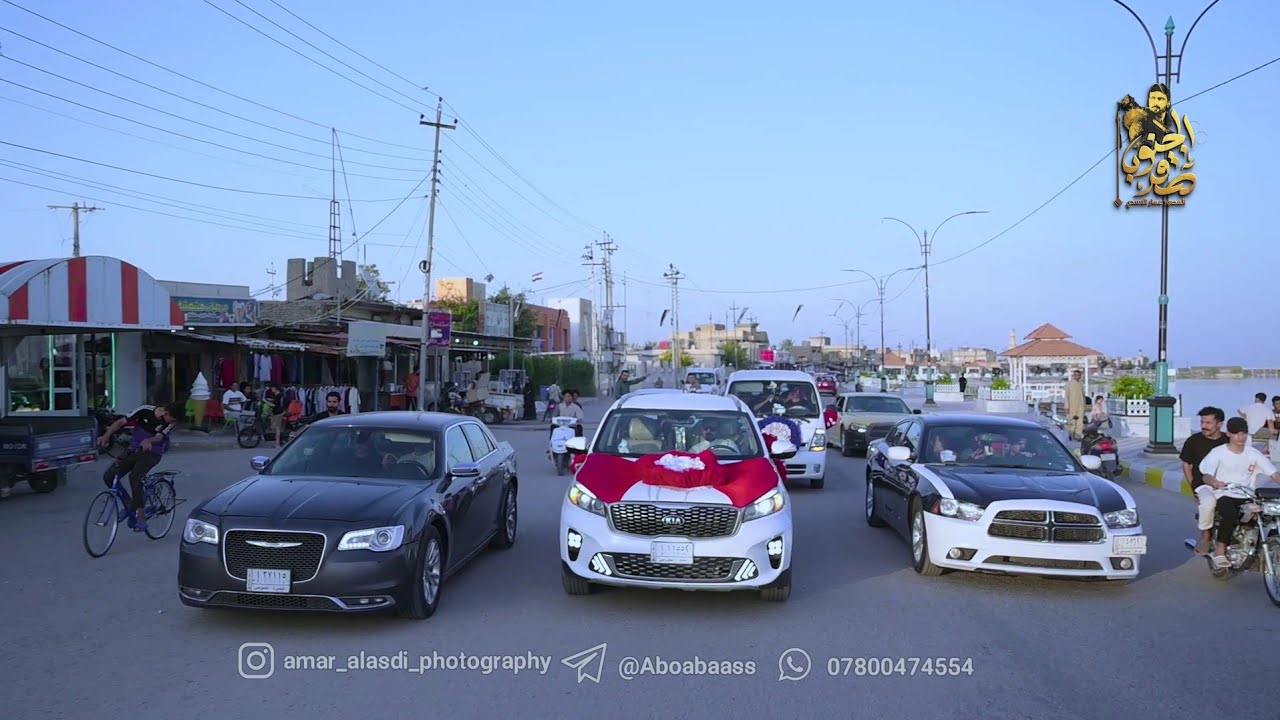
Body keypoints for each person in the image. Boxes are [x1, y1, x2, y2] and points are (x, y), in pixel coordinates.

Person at [1198, 416, 1280, 569]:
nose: (1240, 437)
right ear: (1229, 434)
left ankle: (1257, 547)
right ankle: (1219, 550)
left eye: (1244, 434)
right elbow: (1206, 475)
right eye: (1236, 433)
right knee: (1229, 514)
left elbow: (1274, 474)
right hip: (1224, 493)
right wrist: (1214, 482)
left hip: (1247, 495)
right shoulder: (1218, 452)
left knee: (1267, 515)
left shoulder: (1253, 453)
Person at [98, 403, 181, 532]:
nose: (173, 422)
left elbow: (159, 437)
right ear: (166, 413)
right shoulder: (144, 410)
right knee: (109, 476)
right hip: (134, 449)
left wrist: (149, 441)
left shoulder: (169, 424)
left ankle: (141, 517)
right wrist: (106, 436)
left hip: (153, 452)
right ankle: (130, 505)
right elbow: (120, 422)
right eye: (173, 418)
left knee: (135, 477)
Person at [1182, 407, 1230, 555]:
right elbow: (1186, 466)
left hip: (1225, 483)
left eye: (1208, 422)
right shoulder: (1193, 441)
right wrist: (1193, 489)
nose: (1204, 426)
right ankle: (1205, 536)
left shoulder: (1227, 441)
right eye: (1202, 422)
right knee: (1208, 503)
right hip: (1202, 483)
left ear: (1220, 424)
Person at [263, 383, 286, 448]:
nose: (271, 389)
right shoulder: (275, 395)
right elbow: (275, 401)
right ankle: (278, 442)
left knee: (277, 428)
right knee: (274, 428)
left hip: (279, 413)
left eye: (272, 388)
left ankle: (277, 444)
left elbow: (275, 405)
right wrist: (270, 400)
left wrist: (266, 402)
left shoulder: (280, 395)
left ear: (275, 388)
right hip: (275, 412)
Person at [1064, 370, 1085, 440]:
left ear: (1080, 376)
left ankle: (1077, 436)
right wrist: (1066, 407)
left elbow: (1083, 395)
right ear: (1073, 375)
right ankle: (1070, 435)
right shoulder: (1069, 384)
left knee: (1079, 421)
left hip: (1080, 406)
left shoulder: (1081, 384)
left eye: (1078, 375)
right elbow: (1066, 396)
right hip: (1071, 406)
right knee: (1072, 421)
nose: (1077, 376)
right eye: (1075, 375)